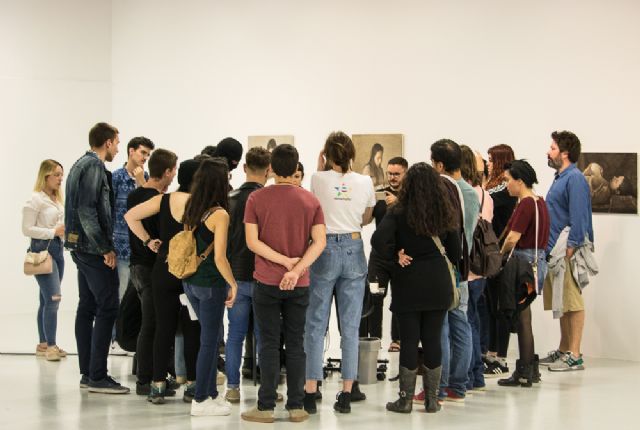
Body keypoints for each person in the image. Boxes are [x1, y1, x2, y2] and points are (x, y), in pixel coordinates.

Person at [240, 144, 326, 423]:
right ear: (296, 167)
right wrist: (296, 268)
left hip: (266, 281)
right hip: (299, 284)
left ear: (271, 169)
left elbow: (252, 242)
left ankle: (265, 407)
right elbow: (319, 242)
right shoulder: (310, 201)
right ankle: (296, 406)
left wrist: (283, 262)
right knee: (296, 343)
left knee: (268, 343)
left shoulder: (256, 198)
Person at [372, 162, 460, 413]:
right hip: (437, 283)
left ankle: (405, 400)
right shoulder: (445, 212)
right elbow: (455, 252)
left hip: (408, 282)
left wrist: (395, 256)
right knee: (433, 339)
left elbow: (378, 240)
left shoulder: (398, 211)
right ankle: (432, 400)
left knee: (409, 341)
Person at [304, 131, 375, 414]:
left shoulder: (317, 178)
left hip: (323, 249)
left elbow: (313, 210)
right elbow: (366, 218)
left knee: (315, 324)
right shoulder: (365, 181)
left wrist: (320, 168)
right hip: (354, 247)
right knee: (350, 327)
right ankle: (347, 392)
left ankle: (311, 390)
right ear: (352, 154)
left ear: (327, 154)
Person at [125, 158, 203, 403]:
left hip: (164, 268)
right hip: (190, 271)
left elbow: (131, 216)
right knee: (192, 329)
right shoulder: (201, 204)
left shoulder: (164, 199)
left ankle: (158, 384)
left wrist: (148, 240)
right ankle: (192, 385)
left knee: (163, 327)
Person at [64, 122, 129, 393]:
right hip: (92, 249)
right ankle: (98, 376)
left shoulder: (81, 164)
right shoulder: (93, 166)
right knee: (108, 306)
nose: (118, 148)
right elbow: (87, 211)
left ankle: (88, 373)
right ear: (108, 142)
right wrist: (104, 248)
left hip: (80, 247)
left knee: (87, 306)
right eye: (117, 142)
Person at [177, 158, 238, 416]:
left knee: (207, 339)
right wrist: (233, 283)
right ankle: (201, 399)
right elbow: (220, 258)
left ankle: (211, 394)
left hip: (190, 281)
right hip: (211, 284)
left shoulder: (193, 207)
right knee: (209, 342)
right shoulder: (220, 214)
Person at [428, 139, 479, 403]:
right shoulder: (470, 192)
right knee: (461, 325)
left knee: (441, 328)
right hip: (463, 266)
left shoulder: (443, 190)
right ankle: (458, 385)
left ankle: (439, 386)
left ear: (439, 164)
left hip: (446, 266)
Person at [541, 131, 595, 372]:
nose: (548, 152)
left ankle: (575, 354)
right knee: (562, 301)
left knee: (572, 301)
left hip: (566, 249)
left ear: (564, 153)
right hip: (555, 249)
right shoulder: (560, 177)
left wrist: (571, 248)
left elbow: (579, 216)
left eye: (552, 148)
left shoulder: (575, 178)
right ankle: (564, 349)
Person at [127, 149, 178, 395]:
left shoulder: (135, 194)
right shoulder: (159, 201)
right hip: (150, 267)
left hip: (136, 266)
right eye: (173, 170)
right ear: (167, 171)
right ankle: (145, 380)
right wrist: (149, 241)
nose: (174, 175)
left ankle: (148, 375)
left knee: (149, 323)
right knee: (152, 324)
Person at [224, 147, 271, 403]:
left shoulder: (229, 199)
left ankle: (232, 387)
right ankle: (267, 389)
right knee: (265, 336)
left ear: (244, 168)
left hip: (235, 275)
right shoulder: (268, 201)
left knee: (235, 335)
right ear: (269, 170)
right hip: (264, 275)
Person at [497, 160, 550, 386]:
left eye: (508, 180)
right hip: (536, 263)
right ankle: (529, 369)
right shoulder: (539, 202)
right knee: (524, 316)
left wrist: (499, 255)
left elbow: (512, 237)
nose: (506, 185)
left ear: (519, 181)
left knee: (522, 319)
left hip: (523, 265)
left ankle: (526, 370)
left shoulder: (526, 204)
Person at [110, 136, 154, 355]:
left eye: (148, 154)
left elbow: (149, 205)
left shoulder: (145, 179)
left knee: (136, 299)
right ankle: (117, 339)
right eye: (142, 152)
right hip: (120, 246)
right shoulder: (116, 178)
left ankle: (129, 339)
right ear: (131, 151)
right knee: (120, 296)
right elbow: (109, 211)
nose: (145, 157)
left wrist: (141, 182)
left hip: (139, 247)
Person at [361, 157, 408, 350]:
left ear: (405, 173)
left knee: (400, 299)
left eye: (397, 174)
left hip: (402, 256)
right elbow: (365, 220)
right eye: (390, 173)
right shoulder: (379, 194)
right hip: (379, 256)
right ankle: (375, 340)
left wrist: (399, 203)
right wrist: (368, 201)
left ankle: (397, 340)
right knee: (375, 297)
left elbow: (416, 219)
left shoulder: (411, 196)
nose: (392, 177)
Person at [22, 159, 67, 362]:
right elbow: (26, 229)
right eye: (57, 174)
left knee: (45, 299)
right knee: (53, 298)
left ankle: (43, 343)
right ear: (46, 176)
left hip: (57, 250)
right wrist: (52, 232)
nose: (60, 179)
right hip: (42, 251)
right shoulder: (35, 200)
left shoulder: (57, 199)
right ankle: (51, 346)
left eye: (61, 175)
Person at [460, 145, 494, 392]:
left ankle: (470, 375)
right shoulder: (485, 195)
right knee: (475, 320)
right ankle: (478, 374)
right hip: (481, 265)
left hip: (467, 266)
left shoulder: (465, 194)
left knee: (466, 322)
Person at [483, 144, 517, 377]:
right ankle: (491, 352)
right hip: (490, 252)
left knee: (499, 306)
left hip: (500, 253)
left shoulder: (504, 190)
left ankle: (500, 357)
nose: (488, 164)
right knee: (489, 305)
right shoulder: (492, 187)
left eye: (491, 159)